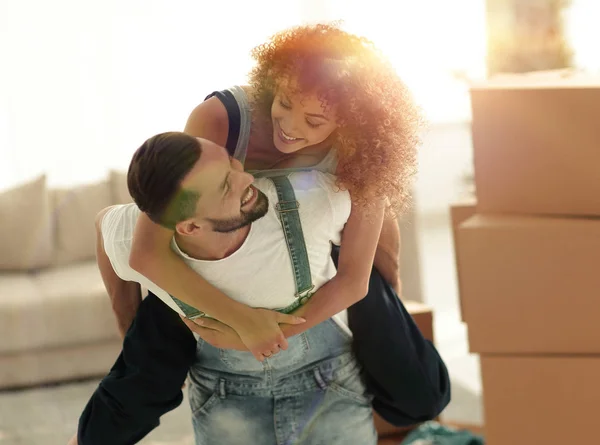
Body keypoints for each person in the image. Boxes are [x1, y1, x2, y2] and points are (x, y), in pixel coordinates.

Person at [75, 23, 450, 444]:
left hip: (320, 248)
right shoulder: (220, 119)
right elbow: (149, 249)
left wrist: (270, 332)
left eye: (313, 120)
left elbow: (362, 270)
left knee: (416, 383)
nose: (288, 125)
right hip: (218, 246)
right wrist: (237, 321)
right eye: (284, 102)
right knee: (146, 368)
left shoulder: (363, 151)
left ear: (350, 122)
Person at [76, 132, 378, 444]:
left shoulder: (309, 204)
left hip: (329, 386)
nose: (245, 177)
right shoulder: (130, 239)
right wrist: (128, 326)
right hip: (225, 401)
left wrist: (251, 333)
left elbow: (373, 188)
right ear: (190, 227)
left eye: (229, 162)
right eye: (224, 186)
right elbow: (104, 227)